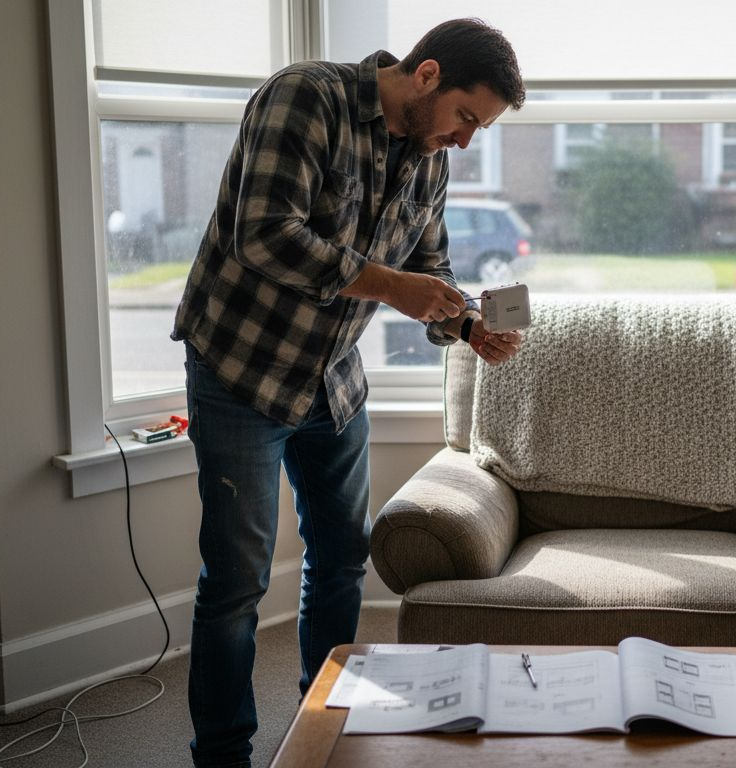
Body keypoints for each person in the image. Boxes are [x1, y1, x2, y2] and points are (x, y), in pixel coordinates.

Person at [170, 19, 525, 767]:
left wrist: (468, 327)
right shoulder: (306, 97)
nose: (465, 141)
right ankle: (224, 755)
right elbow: (263, 234)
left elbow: (430, 272)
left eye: (479, 130)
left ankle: (319, 726)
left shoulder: (430, 164)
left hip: (332, 381)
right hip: (240, 373)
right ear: (427, 75)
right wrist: (394, 285)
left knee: (339, 561)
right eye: (466, 117)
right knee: (235, 582)